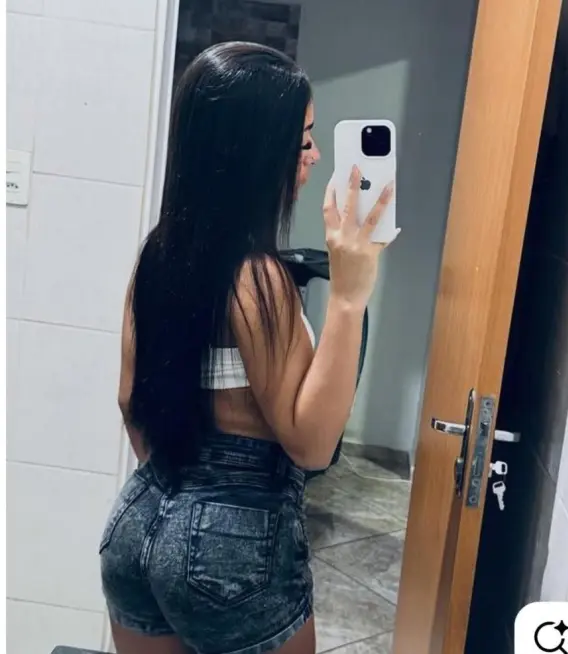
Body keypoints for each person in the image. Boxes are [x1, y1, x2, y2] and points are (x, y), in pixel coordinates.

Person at [99, 41, 396, 654]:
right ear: (260, 152)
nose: (314, 155)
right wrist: (348, 297)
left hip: (137, 520)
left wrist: (179, 498)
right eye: (304, 138)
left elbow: (129, 401)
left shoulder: (156, 258)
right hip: (232, 539)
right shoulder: (259, 279)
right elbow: (312, 445)